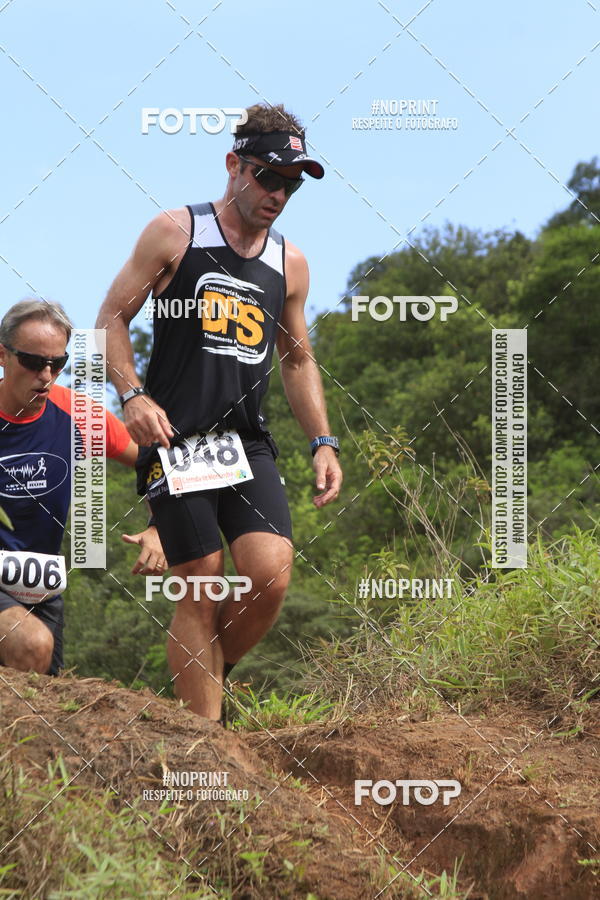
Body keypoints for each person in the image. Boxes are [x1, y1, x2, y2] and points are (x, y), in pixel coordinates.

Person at [96, 102, 343, 720]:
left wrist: (323, 441)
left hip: (245, 443)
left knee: (270, 574)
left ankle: (198, 682)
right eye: (268, 176)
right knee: (203, 579)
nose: (278, 194)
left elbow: (296, 359)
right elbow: (109, 321)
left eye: (291, 184)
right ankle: (205, 745)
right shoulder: (175, 231)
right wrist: (132, 396)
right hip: (174, 437)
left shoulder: (291, 263)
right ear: (234, 165)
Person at [0, 299, 165, 676]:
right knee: (32, 645)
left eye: (57, 364)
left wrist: (159, 525)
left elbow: (155, 460)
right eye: (32, 362)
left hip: (37, 583)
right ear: (2, 355)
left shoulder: (79, 415)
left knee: (43, 698)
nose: (45, 375)